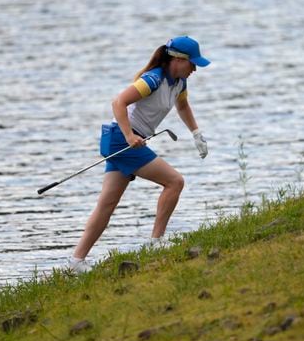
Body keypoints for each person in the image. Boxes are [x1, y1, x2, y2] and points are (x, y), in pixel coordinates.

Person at [69, 36, 210, 273]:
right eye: (192, 63)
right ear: (177, 59)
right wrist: (128, 135)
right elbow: (118, 102)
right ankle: (156, 242)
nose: (195, 69)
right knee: (174, 182)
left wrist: (196, 133)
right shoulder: (152, 79)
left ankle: (75, 262)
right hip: (121, 140)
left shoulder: (179, 83)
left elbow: (183, 106)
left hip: (124, 141)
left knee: (107, 204)